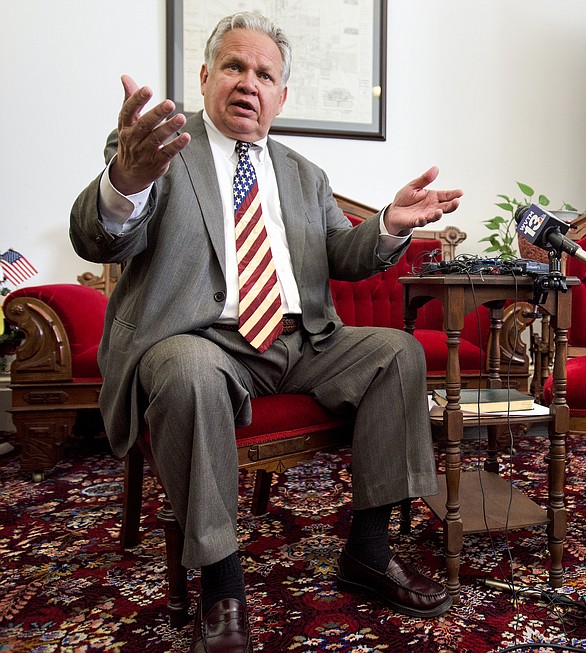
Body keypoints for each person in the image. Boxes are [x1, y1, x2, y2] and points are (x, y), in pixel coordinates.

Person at [70, 12, 462, 653]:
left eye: (265, 74)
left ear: (282, 96)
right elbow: (97, 235)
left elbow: (343, 251)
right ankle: (222, 590)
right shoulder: (160, 152)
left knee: (398, 353)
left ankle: (368, 550)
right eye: (234, 66)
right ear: (204, 77)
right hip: (198, 339)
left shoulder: (304, 174)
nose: (249, 83)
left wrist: (390, 224)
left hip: (301, 341)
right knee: (190, 373)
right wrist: (125, 183)